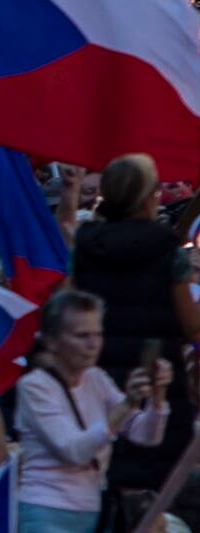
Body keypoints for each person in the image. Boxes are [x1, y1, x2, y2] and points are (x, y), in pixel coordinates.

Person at [15, 290, 170, 533]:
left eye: (97, 334)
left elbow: (145, 435)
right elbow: (73, 449)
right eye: (81, 335)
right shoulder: (34, 387)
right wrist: (126, 403)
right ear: (53, 341)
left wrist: (156, 398)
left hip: (91, 512)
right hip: (48, 513)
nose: (93, 344)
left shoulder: (96, 379)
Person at [69, 154, 200, 487]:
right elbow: (191, 326)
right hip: (155, 380)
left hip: (91, 379)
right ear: (146, 197)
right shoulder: (167, 250)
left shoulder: (84, 246)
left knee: (97, 474)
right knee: (151, 483)